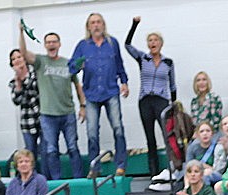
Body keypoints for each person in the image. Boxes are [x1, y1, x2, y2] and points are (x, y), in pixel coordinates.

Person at [18, 26, 86, 181]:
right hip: (48, 115)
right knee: (51, 150)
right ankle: (56, 181)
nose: (51, 44)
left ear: (59, 44)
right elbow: (23, 53)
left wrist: (83, 106)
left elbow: (77, 86)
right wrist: (21, 32)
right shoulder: (41, 61)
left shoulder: (68, 63)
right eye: (48, 42)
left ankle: (78, 179)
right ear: (45, 45)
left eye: (54, 41)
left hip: (68, 113)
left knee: (73, 148)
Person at [69, 13, 129, 177]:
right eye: (93, 23)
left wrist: (124, 82)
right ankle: (95, 167)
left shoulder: (112, 43)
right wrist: (78, 65)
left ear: (103, 25)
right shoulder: (82, 45)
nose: (96, 25)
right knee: (92, 132)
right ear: (88, 27)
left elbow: (119, 65)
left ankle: (121, 165)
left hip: (111, 91)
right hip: (91, 94)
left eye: (99, 22)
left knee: (118, 128)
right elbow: (71, 68)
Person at [124, 17, 177, 177]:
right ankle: (153, 173)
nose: (153, 43)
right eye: (150, 40)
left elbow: (172, 84)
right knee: (150, 138)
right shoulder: (143, 58)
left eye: (156, 40)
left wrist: (174, 104)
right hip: (145, 100)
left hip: (162, 101)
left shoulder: (168, 62)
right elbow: (127, 45)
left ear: (161, 43)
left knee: (168, 136)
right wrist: (134, 25)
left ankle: (173, 169)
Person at [9, 48, 41, 163]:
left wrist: (23, 81)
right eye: (13, 59)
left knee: (47, 150)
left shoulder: (36, 74)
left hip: (42, 116)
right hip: (27, 121)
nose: (16, 60)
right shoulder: (13, 82)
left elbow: (35, 92)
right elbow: (17, 101)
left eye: (19, 57)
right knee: (30, 152)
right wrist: (18, 83)